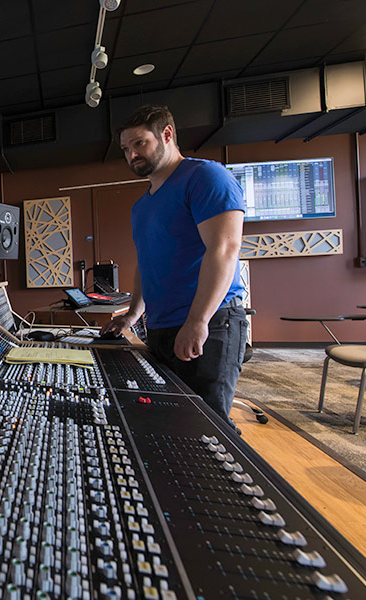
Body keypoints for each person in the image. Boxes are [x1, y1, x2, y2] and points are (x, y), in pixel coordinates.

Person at [101, 104, 248, 425]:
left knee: (206, 426)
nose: (131, 155)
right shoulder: (141, 206)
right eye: (126, 149)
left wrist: (198, 321)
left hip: (210, 321)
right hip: (159, 328)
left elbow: (224, 248)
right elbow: (146, 263)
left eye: (139, 143)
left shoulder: (206, 176)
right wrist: (132, 315)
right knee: (168, 420)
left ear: (167, 135)